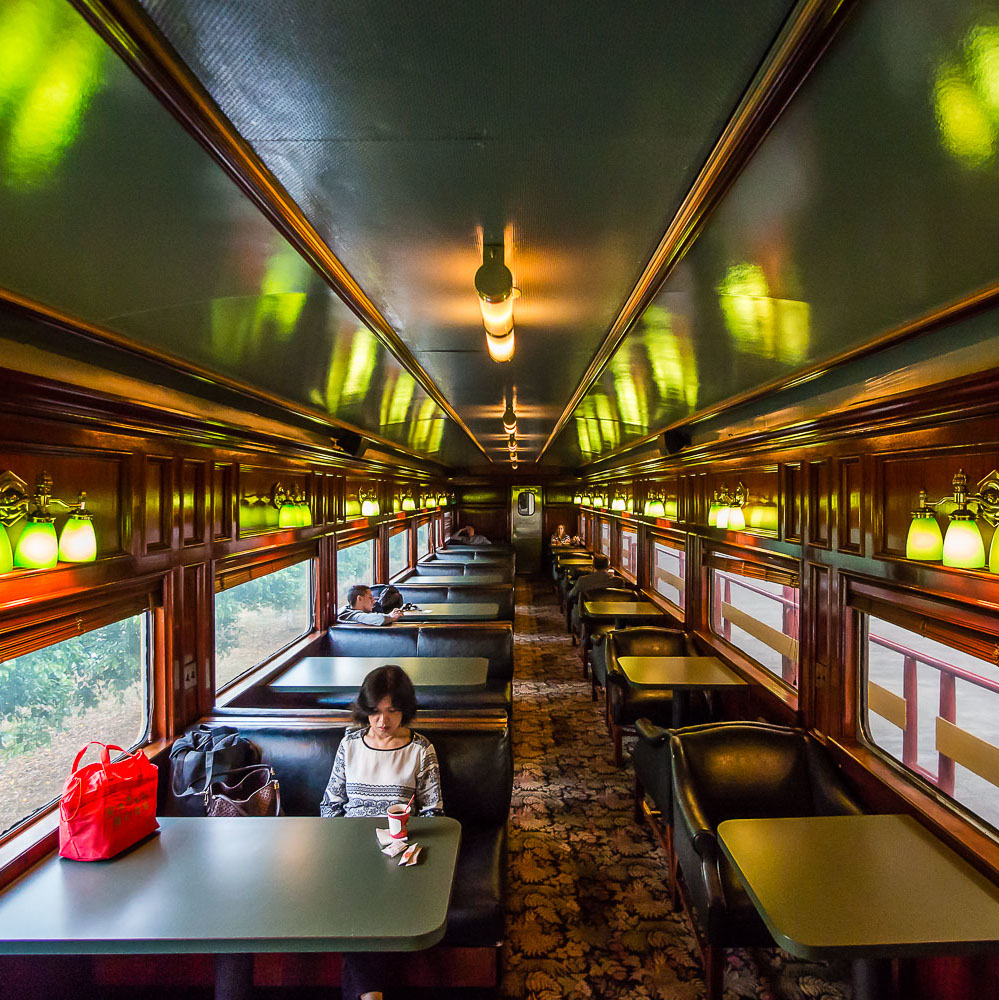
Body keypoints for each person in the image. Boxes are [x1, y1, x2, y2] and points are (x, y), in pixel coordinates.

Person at [320, 665, 444, 1000]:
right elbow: (330, 804)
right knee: (355, 894)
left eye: (392, 712)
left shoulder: (421, 750)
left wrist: (410, 845)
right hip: (350, 848)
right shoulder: (350, 745)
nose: (382, 722)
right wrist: (338, 842)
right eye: (375, 712)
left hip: (399, 850)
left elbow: (433, 812)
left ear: (406, 710)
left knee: (373, 900)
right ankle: (371, 993)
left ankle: (369, 993)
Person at [338, 584, 403, 625]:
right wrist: (391, 617)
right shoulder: (353, 615)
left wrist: (389, 615)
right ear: (360, 598)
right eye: (370, 598)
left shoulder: (349, 609)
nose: (374, 601)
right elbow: (380, 619)